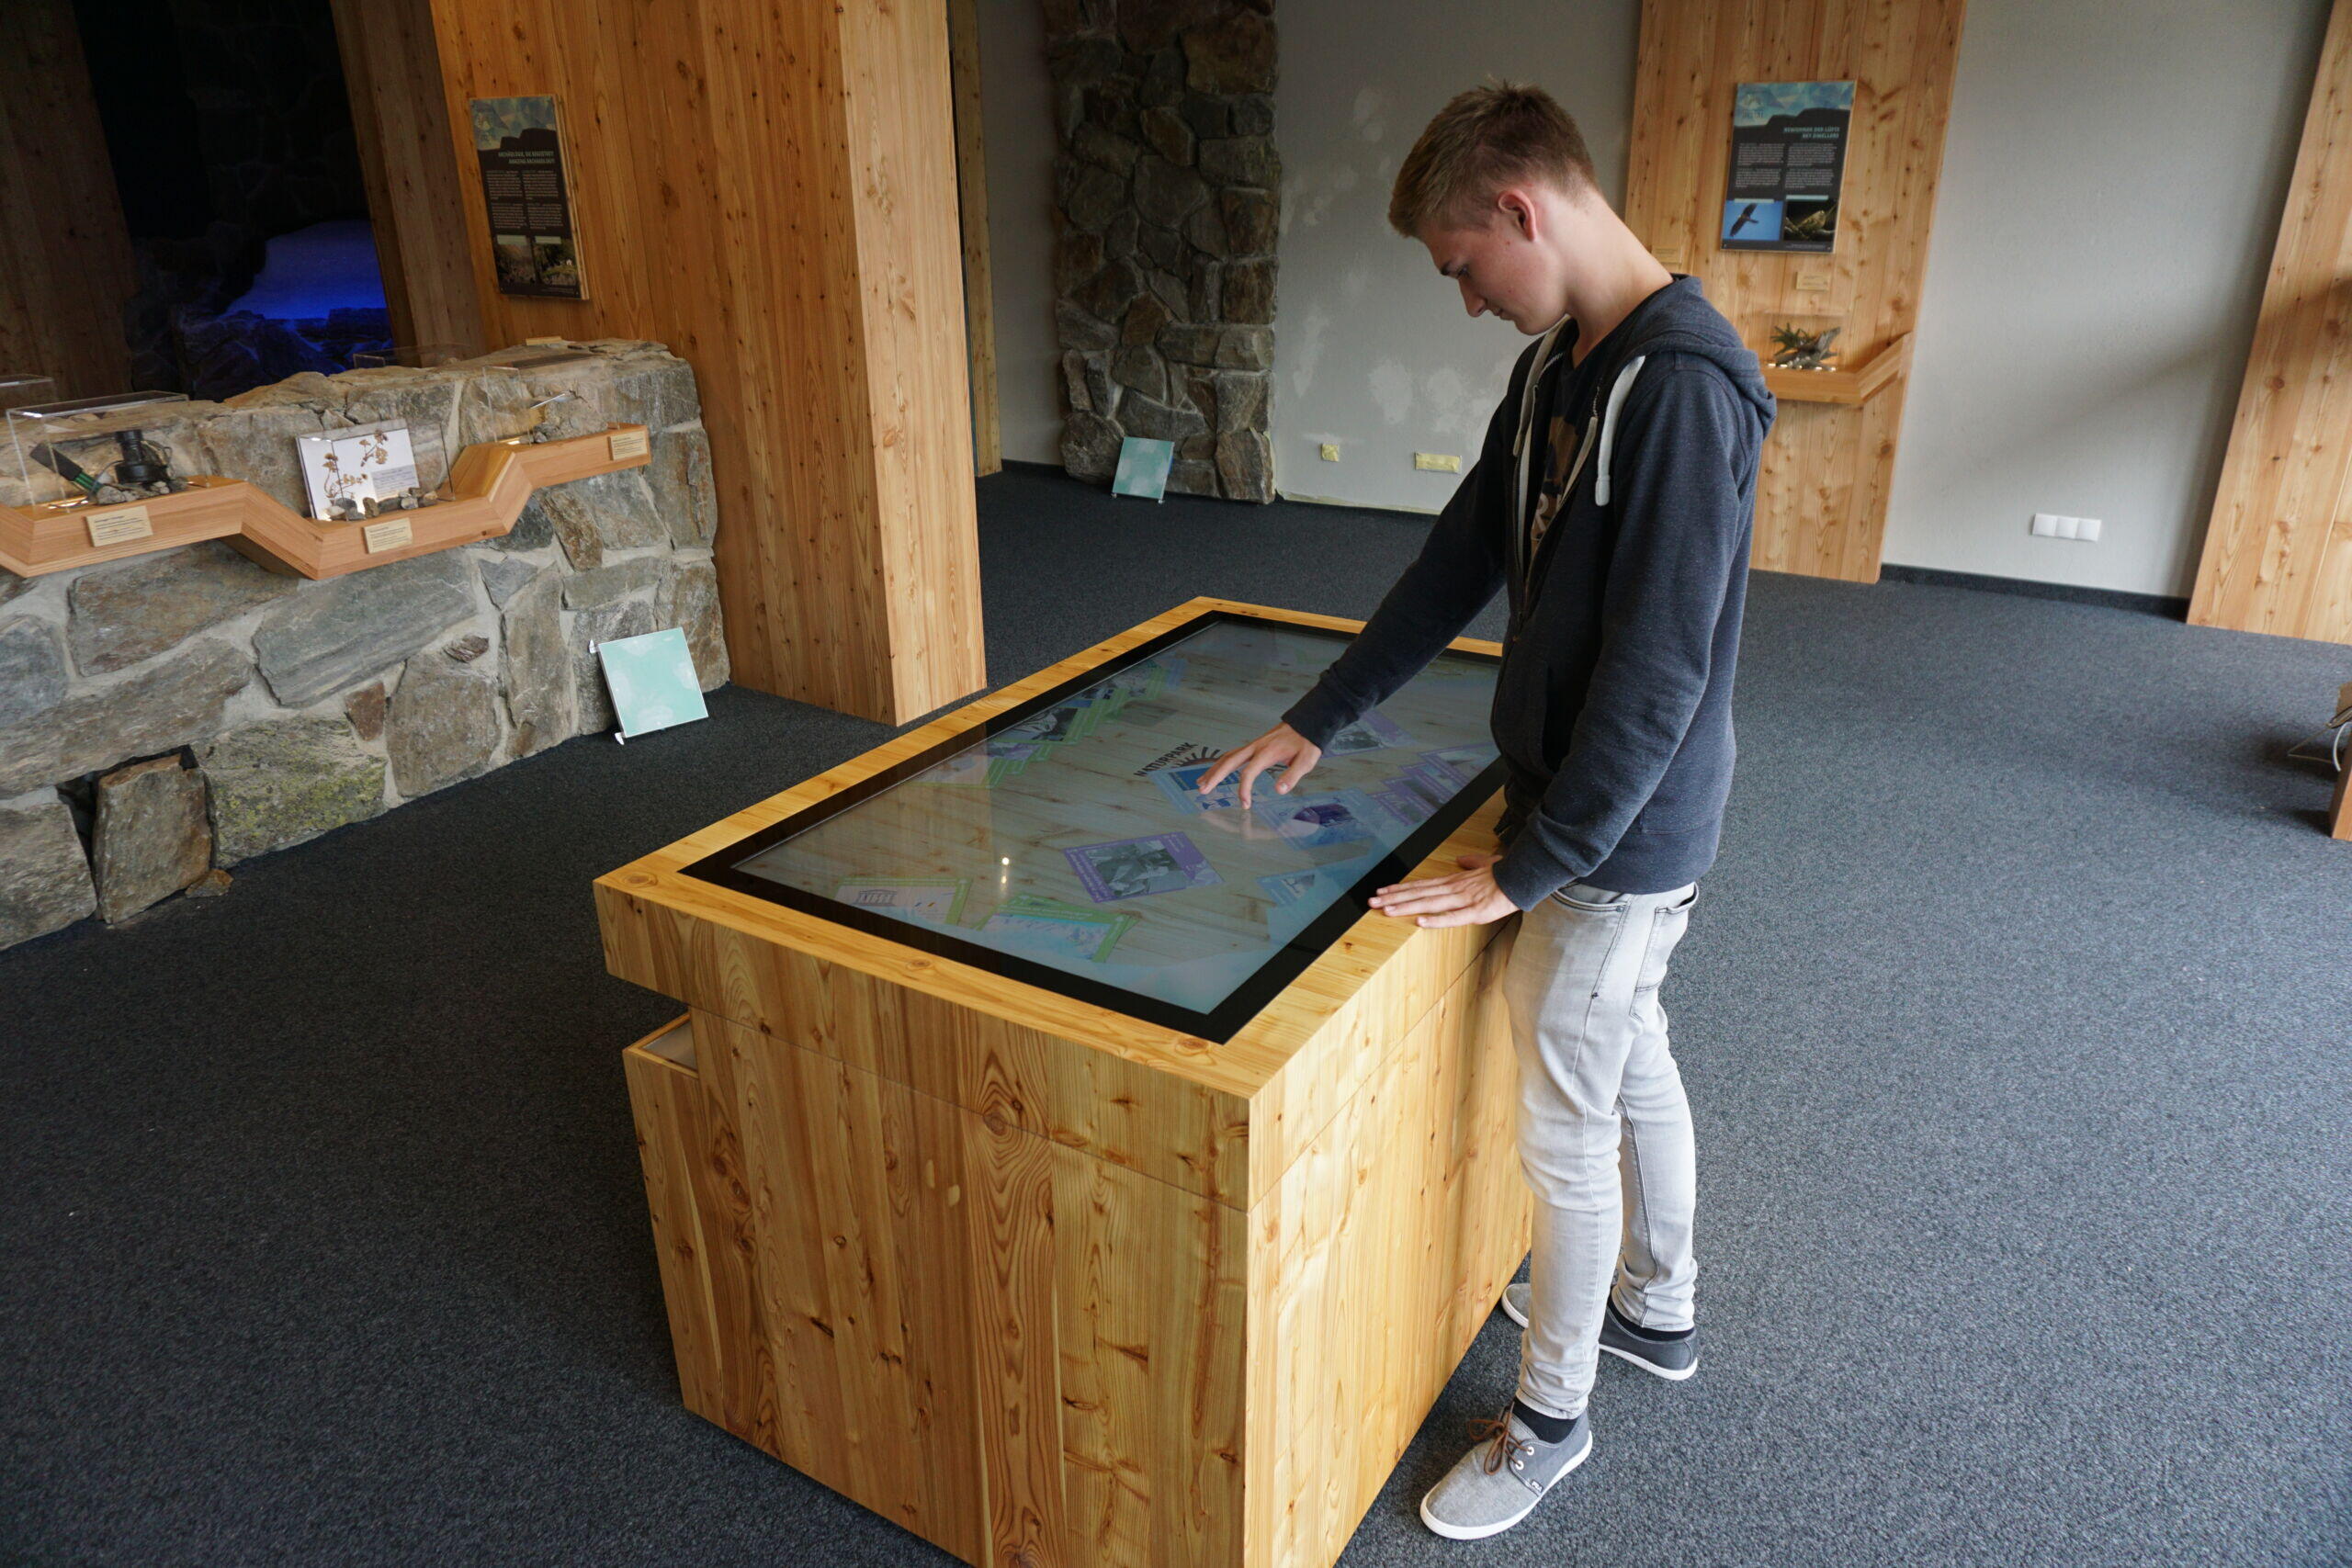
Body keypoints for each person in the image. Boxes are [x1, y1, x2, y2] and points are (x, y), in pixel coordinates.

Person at [1197, 81, 1775, 1541]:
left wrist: (1535, 873)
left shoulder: (1685, 386)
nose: (1465, 302)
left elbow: (1660, 675)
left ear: (1523, 209)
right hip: (1583, 815)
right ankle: (1661, 1303)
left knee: (1569, 1125)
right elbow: (1463, 552)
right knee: (1628, 1046)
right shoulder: (1561, 366)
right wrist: (1318, 717)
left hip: (1623, 835)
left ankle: (1551, 1420)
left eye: (1464, 267)